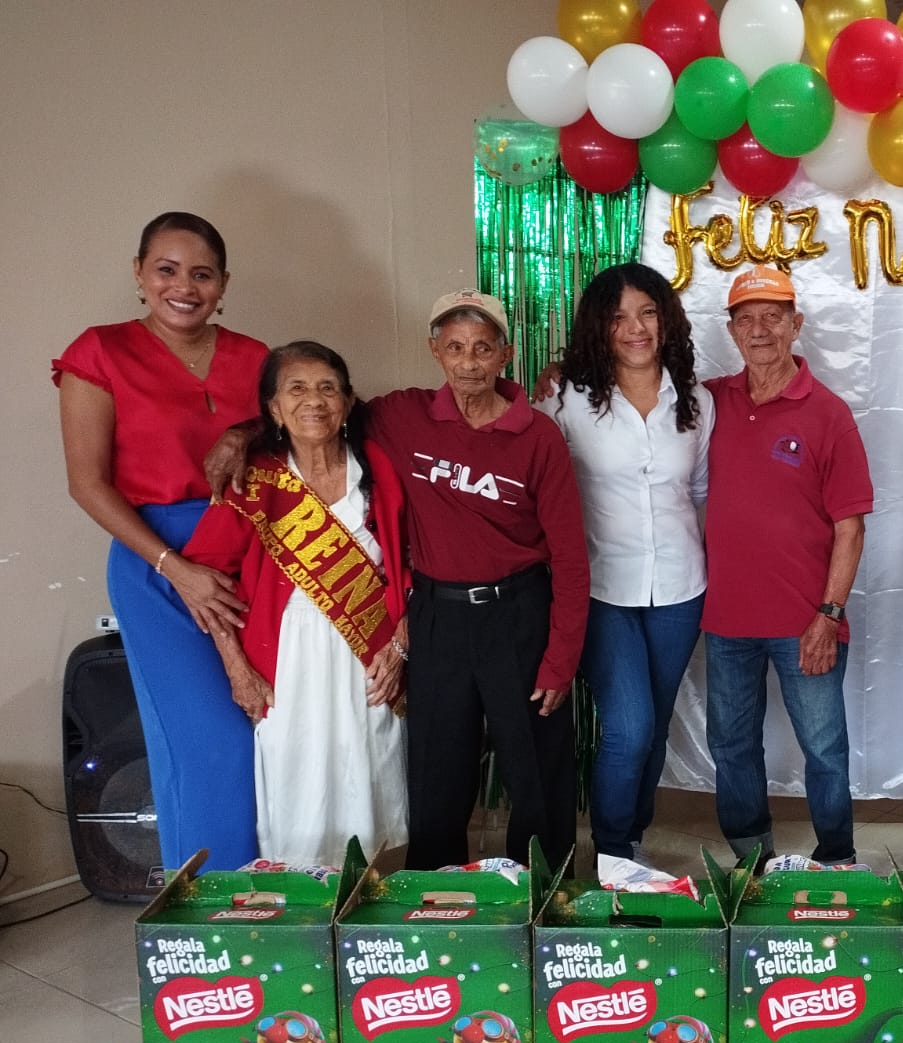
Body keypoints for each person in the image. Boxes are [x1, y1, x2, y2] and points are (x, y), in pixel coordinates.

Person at [209, 289, 588, 871]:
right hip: (437, 614)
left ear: (505, 355)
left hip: (518, 613)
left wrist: (561, 660)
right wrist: (242, 434)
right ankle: (434, 898)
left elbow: (570, 558)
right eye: (455, 347)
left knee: (536, 768)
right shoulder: (400, 415)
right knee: (437, 772)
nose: (469, 362)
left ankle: (545, 890)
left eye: (483, 348)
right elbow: (315, 414)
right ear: (435, 350)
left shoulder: (538, 436)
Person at [57, 212, 266, 870]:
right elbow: (87, 483)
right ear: (139, 274)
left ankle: (274, 895)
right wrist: (176, 568)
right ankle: (215, 904)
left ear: (223, 283)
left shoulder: (257, 358)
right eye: (167, 270)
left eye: (202, 274)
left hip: (251, 554)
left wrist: (244, 432)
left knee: (270, 733)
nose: (184, 287)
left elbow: (304, 424)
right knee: (208, 742)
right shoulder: (100, 352)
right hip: (158, 562)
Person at [183, 342, 409, 866]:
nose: (314, 400)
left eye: (328, 388)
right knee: (295, 790)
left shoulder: (379, 468)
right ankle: (302, 904)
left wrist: (401, 646)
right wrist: (237, 667)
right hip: (284, 661)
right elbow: (207, 581)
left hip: (369, 656)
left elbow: (418, 565)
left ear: (347, 402)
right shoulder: (254, 477)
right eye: (297, 389)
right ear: (274, 409)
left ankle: (371, 900)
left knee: (373, 780)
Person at [536, 264, 713, 864]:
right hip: (600, 588)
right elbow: (538, 481)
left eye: (647, 313)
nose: (635, 328)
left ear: (667, 320)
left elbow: (699, 492)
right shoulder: (565, 397)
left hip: (680, 589)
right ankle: (612, 853)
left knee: (655, 726)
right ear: (599, 326)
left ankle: (632, 838)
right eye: (618, 317)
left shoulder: (697, 402)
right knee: (629, 726)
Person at [702, 265, 873, 867]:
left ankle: (838, 857)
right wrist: (563, 376)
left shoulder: (828, 414)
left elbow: (851, 529)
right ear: (731, 331)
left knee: (823, 748)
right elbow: (641, 386)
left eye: (773, 317)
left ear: (796, 325)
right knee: (731, 744)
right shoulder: (711, 402)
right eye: (746, 319)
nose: (760, 330)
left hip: (807, 621)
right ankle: (752, 861)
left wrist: (829, 615)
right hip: (726, 620)